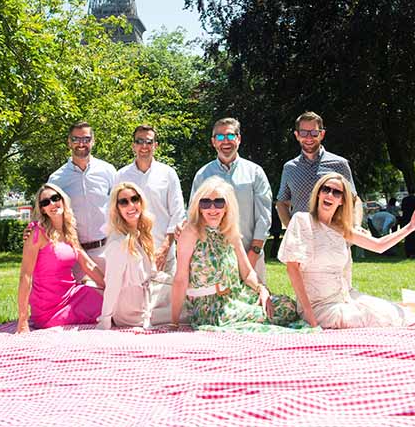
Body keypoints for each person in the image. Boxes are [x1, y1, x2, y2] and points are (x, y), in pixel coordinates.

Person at [278, 173, 415, 328]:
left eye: (336, 192)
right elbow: (292, 268)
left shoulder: (342, 229)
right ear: (318, 193)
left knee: (394, 312)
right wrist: (309, 315)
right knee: (367, 318)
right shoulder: (302, 220)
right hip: (318, 307)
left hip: (346, 298)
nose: (330, 194)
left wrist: (411, 227)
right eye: (326, 189)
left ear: (342, 200)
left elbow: (379, 245)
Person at [172, 177, 302, 331]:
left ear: (227, 206)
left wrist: (262, 289)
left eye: (219, 202)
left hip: (238, 296)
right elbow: (180, 278)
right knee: (270, 315)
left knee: (287, 306)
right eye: (206, 203)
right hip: (212, 307)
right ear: (199, 207)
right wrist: (174, 322)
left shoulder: (230, 231)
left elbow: (247, 273)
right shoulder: (191, 231)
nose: (212, 209)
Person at [191, 118, 272, 280]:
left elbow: (263, 218)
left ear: (239, 139)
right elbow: (194, 217)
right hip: (212, 261)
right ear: (213, 142)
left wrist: (251, 258)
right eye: (220, 137)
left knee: (255, 304)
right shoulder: (202, 175)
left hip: (251, 254)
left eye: (230, 136)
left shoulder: (255, 173)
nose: (225, 141)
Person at [16, 184, 105, 333]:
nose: (51, 204)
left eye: (55, 198)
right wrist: (23, 320)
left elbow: (87, 264)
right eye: (45, 202)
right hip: (48, 307)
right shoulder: (37, 233)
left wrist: (111, 289)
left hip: (73, 295)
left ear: (63, 200)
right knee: (109, 311)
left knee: (113, 304)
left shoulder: (69, 231)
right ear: (42, 209)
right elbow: (25, 275)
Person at [47, 120, 117, 276]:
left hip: (106, 250)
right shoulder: (56, 179)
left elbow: (120, 207)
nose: (81, 143)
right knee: (80, 300)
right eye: (76, 139)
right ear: (69, 142)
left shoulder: (108, 171)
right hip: (73, 254)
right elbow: (47, 215)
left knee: (112, 298)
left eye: (86, 139)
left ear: (93, 141)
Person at [98, 183, 172, 329]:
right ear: (117, 208)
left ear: (141, 201)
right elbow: (112, 284)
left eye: (134, 199)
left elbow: (150, 273)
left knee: (189, 293)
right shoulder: (118, 242)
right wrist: (104, 320)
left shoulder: (141, 233)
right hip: (132, 311)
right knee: (189, 312)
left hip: (150, 299)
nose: (131, 205)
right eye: (123, 202)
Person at [114, 125, 185, 273]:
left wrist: (165, 248)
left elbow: (178, 213)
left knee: (167, 296)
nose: (144, 146)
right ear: (134, 145)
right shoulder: (121, 176)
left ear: (155, 145)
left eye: (149, 142)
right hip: (133, 255)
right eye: (140, 141)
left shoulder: (168, 174)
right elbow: (115, 214)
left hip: (164, 255)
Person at [277, 112, 354, 228]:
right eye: (303, 132)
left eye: (314, 132)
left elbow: (353, 199)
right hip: (302, 239)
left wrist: (356, 225)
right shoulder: (289, 168)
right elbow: (282, 202)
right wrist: (290, 229)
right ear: (297, 135)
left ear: (322, 134)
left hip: (333, 236)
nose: (308, 137)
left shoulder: (340, 164)